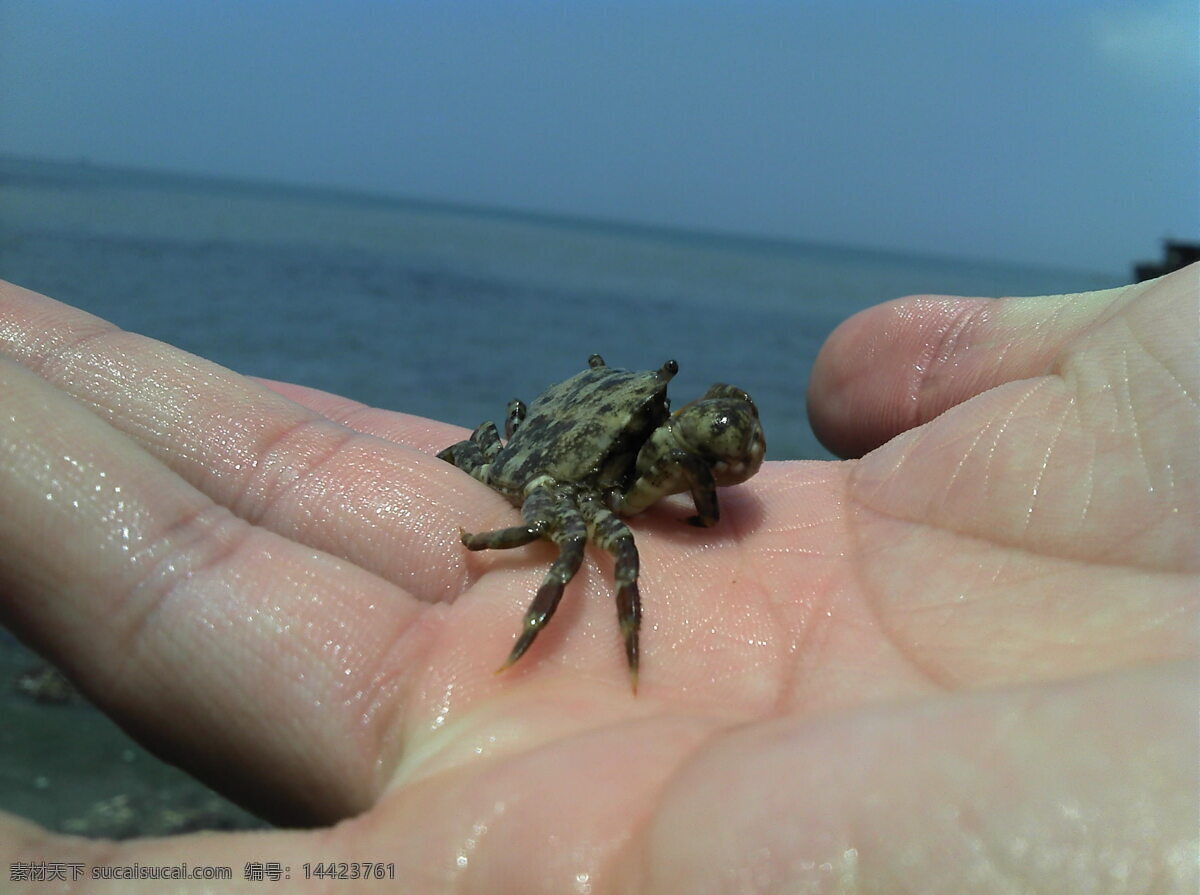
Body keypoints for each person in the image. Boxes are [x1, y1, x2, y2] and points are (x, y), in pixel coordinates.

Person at [0, 267, 1195, 893]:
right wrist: (494, 538)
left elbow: (659, 495)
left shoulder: (677, 460)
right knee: (585, 536)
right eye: (684, 440)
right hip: (519, 460)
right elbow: (571, 526)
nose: (694, 446)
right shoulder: (617, 476)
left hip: (537, 450)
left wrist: (690, 493)